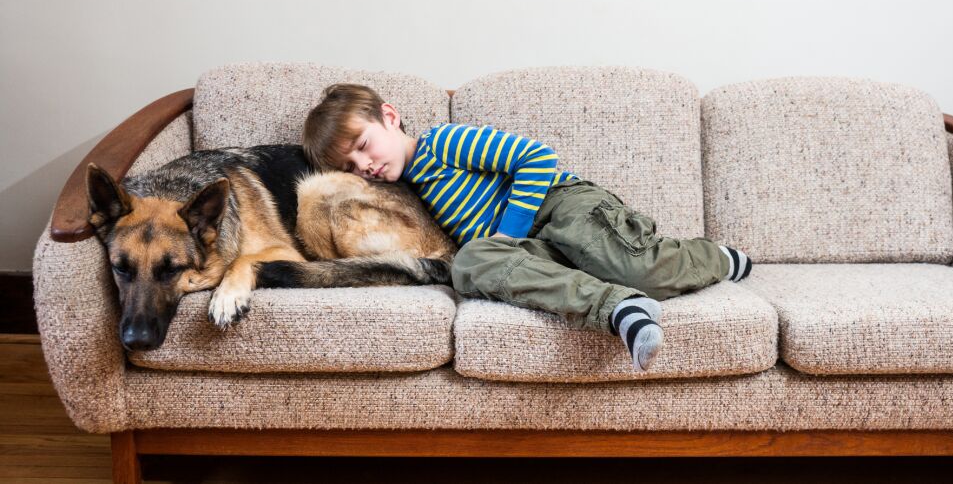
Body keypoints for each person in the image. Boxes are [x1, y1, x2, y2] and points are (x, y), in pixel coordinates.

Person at [301, 83, 753, 372]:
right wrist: (499, 248)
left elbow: (536, 158)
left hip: (562, 207)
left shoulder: (442, 142)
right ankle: (619, 309)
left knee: (636, 269)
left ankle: (713, 257)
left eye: (364, 145)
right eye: (350, 166)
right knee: (468, 265)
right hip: (531, 251)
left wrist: (508, 233)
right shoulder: (407, 191)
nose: (365, 165)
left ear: (390, 116)